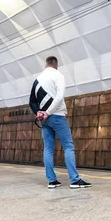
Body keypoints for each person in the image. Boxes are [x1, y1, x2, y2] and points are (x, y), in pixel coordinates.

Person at [29, 56, 92, 189]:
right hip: (56, 116)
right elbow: (59, 97)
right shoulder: (58, 75)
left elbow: (32, 102)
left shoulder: (37, 80)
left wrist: (39, 112)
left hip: (45, 120)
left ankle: (52, 181)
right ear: (56, 65)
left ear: (46, 64)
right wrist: (48, 112)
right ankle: (75, 180)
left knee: (48, 149)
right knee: (68, 146)